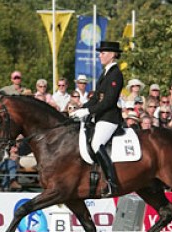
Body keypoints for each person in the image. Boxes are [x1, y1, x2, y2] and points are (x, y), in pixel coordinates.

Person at [72, 41, 123, 196]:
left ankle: (111, 182)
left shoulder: (115, 74)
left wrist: (88, 110)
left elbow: (109, 101)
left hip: (109, 118)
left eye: (103, 53)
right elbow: (96, 98)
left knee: (96, 144)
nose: (100, 55)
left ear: (113, 55)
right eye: (100, 53)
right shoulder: (105, 73)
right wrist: (81, 109)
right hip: (99, 117)